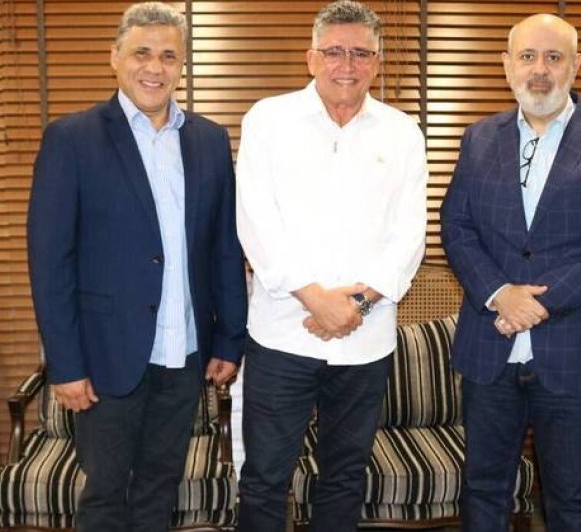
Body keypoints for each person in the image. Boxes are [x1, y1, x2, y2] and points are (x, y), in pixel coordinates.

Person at [26, 2, 248, 530]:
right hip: (106, 358)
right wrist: (66, 364)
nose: (155, 67)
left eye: (169, 56)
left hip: (185, 354)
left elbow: (223, 247)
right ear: (115, 57)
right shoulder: (71, 139)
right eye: (141, 53)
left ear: (182, 65)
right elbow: (50, 262)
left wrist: (228, 339)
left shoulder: (209, 140)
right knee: (104, 496)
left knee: (159, 489)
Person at [440, 13, 581, 532]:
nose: (540, 70)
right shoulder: (478, 138)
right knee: (483, 489)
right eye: (528, 56)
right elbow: (456, 227)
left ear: (575, 65)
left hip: (576, 347)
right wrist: (498, 294)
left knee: (571, 498)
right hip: (490, 346)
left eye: (554, 57)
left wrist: (534, 304)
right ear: (506, 65)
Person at [234, 1, 428, 530]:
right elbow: (256, 222)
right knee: (265, 477)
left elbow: (409, 235)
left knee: (344, 476)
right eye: (334, 51)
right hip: (283, 334)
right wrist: (316, 299)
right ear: (311, 58)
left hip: (365, 339)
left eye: (361, 53)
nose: (347, 64)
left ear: (377, 62)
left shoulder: (402, 132)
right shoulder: (268, 119)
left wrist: (357, 302)